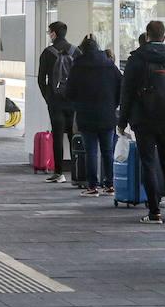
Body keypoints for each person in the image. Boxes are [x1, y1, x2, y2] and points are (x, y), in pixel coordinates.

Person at [120, 20, 165, 223]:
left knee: (147, 162)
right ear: (164, 37)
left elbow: (127, 92)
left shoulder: (137, 58)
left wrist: (122, 121)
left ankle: (154, 211)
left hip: (143, 119)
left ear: (147, 36)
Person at [67, 35, 121, 196]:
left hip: (86, 115)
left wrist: (77, 104)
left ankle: (92, 186)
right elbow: (121, 86)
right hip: (107, 115)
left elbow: (70, 92)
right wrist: (114, 104)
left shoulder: (77, 66)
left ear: (82, 49)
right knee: (108, 151)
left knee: (91, 151)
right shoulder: (110, 66)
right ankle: (110, 185)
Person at [37, 21, 77, 184]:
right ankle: (77, 172)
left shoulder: (48, 52)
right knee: (74, 137)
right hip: (73, 101)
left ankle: (59, 172)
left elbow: (41, 79)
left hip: (55, 101)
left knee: (58, 135)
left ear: (53, 33)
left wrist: (48, 97)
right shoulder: (76, 51)